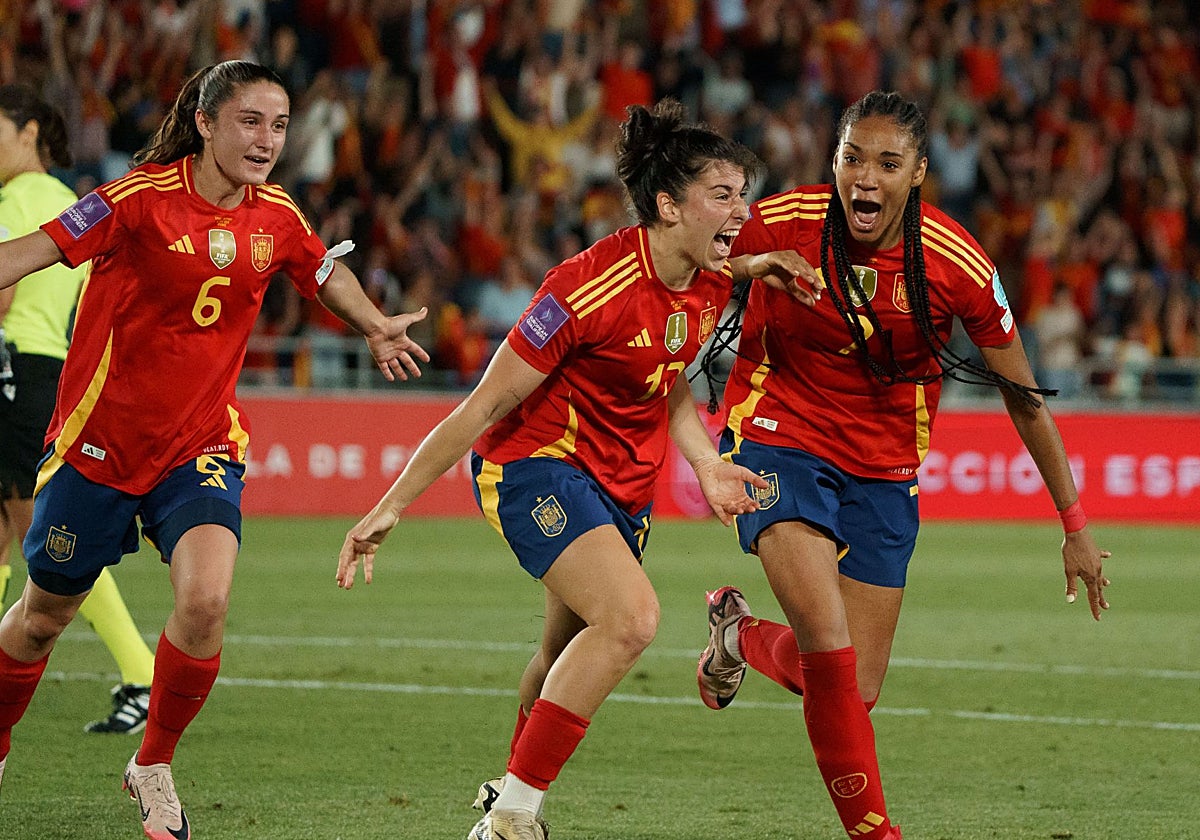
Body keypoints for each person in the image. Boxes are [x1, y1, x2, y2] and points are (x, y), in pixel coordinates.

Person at [336, 98, 821, 840]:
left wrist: (706, 462)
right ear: (668, 204)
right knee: (632, 619)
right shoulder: (584, 288)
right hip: (535, 466)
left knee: (560, 654)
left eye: (743, 196)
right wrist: (391, 504)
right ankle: (513, 818)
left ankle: (508, 782)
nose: (741, 211)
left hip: (622, 487)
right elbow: (483, 405)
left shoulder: (711, 278)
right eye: (722, 195)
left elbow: (670, 381)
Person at [0, 61, 430, 840]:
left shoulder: (276, 214)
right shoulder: (138, 201)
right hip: (98, 446)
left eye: (279, 125)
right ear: (204, 122)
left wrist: (371, 322)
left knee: (205, 602)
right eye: (250, 122)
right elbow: (31, 250)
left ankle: (152, 765)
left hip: (199, 443)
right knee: (40, 618)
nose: (267, 141)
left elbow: (317, 267)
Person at [694, 90, 1111, 840]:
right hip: (776, 435)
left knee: (855, 686)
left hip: (884, 468)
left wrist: (1073, 522)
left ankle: (738, 635)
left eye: (888, 162)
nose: (866, 175)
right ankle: (877, 833)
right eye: (853, 156)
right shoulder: (780, 221)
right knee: (827, 641)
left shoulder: (956, 265)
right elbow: (670, 267)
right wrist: (751, 263)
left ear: (918, 172)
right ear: (836, 162)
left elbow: (1024, 398)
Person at [0, 83, 156, 736]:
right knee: (18, 531)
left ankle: (141, 672)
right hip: (49, 367)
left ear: (30, 132)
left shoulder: (14, 200)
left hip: (15, 370)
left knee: (44, 537)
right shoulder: (72, 202)